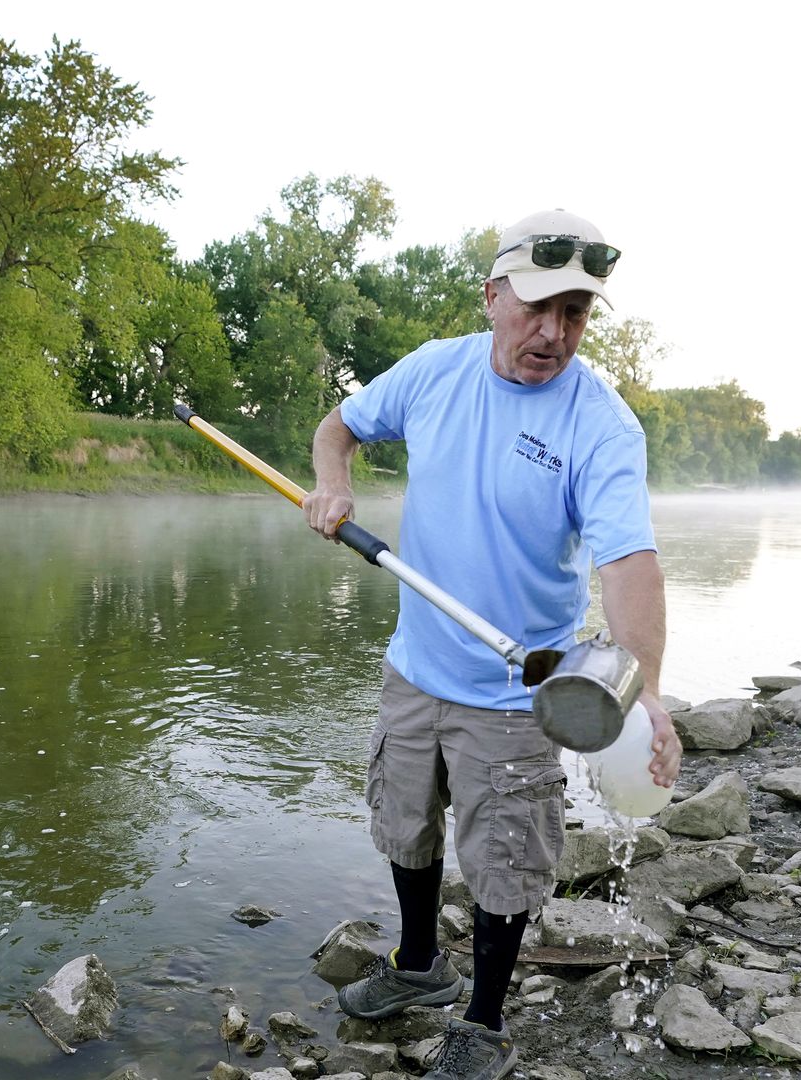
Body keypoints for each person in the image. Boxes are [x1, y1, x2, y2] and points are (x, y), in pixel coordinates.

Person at [302, 208, 680, 1080]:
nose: (553, 333)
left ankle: (484, 1020)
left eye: (575, 314)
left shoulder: (602, 424)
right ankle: (418, 969)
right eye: (537, 308)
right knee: (404, 825)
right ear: (492, 297)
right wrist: (332, 486)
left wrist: (646, 689)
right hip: (415, 666)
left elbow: (629, 562)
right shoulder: (435, 370)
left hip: (521, 690)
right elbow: (339, 428)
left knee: (505, 862)